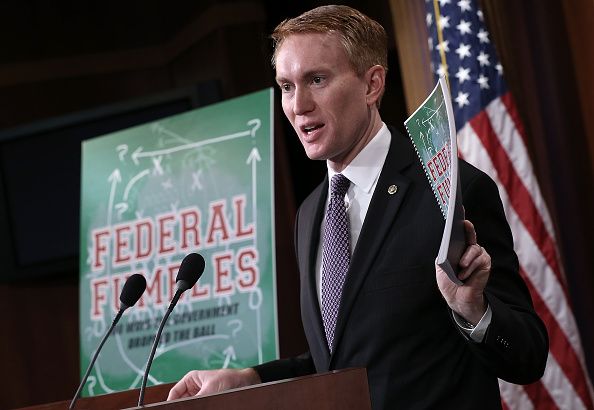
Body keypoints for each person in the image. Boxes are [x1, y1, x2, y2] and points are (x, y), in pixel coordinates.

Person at [167, 5, 548, 409]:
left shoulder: (451, 190)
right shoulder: (311, 213)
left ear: (372, 85)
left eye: (317, 79)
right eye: (286, 86)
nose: (299, 106)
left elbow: (529, 356)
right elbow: (340, 360)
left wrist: (474, 310)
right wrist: (249, 378)